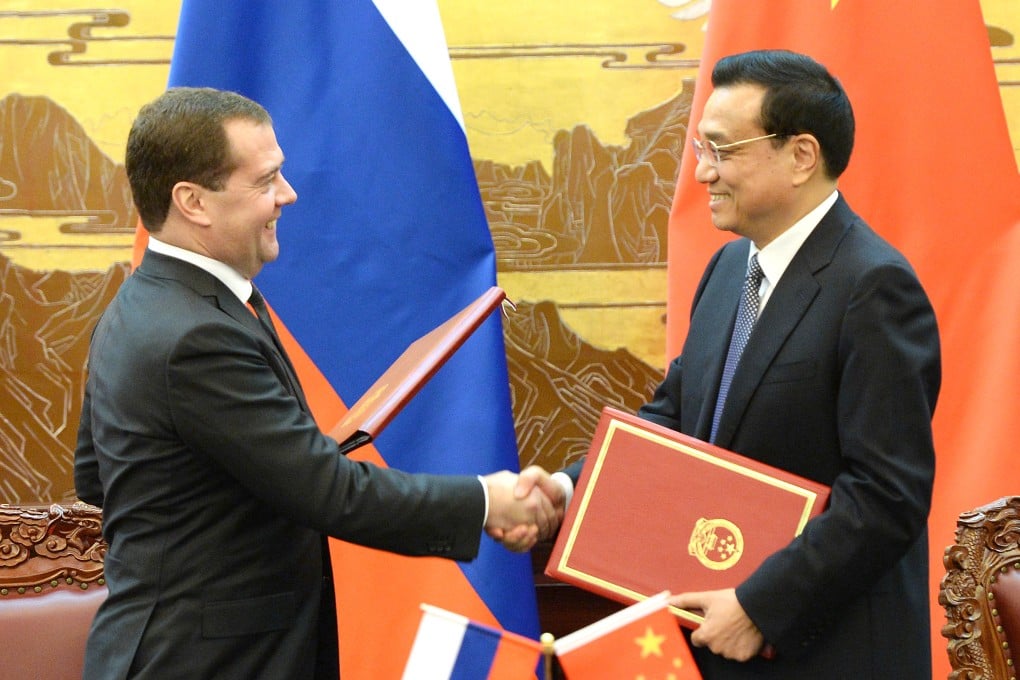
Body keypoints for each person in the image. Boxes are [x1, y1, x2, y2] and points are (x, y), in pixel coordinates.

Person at [74, 86, 563, 680]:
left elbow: (97, 476)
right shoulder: (194, 335)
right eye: (265, 181)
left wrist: (257, 481)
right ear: (193, 202)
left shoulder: (145, 306)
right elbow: (329, 494)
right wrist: (488, 501)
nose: (287, 195)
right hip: (210, 661)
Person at [514, 49, 941, 678]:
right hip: (718, 643)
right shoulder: (729, 270)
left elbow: (887, 497)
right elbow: (674, 419)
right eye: (699, 150)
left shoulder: (874, 287)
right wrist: (569, 489)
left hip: (826, 651)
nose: (703, 173)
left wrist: (759, 606)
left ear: (801, 156)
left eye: (722, 151)